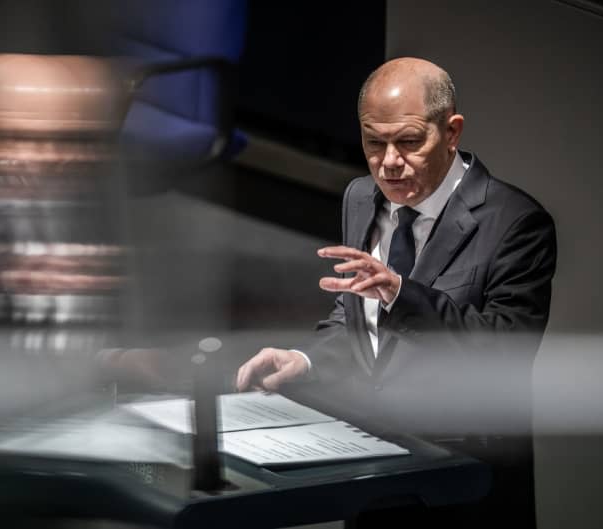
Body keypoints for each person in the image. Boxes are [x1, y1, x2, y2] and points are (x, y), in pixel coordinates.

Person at [235, 57, 556, 528]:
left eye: (408, 142)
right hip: (370, 468)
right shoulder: (360, 197)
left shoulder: (515, 223)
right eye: (373, 142)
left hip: (460, 481)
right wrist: (306, 360)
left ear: (451, 132)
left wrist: (401, 294)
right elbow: (354, 321)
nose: (388, 163)